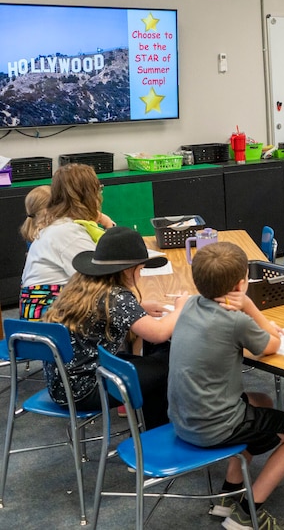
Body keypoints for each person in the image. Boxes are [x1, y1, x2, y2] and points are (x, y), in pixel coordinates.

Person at [168, 242, 284, 530]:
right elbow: (272, 345)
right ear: (241, 284)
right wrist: (249, 306)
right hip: (214, 426)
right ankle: (248, 513)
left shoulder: (189, 304)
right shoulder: (235, 319)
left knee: (260, 400)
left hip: (183, 418)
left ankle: (229, 494)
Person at [43, 227, 188, 428]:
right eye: (141, 269)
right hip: (88, 388)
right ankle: (155, 434)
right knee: (171, 359)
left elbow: (100, 313)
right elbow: (159, 333)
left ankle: (149, 430)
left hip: (62, 387)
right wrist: (180, 308)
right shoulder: (117, 297)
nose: (141, 274)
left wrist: (139, 308)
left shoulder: (81, 287)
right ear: (129, 270)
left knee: (152, 362)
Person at [20, 163, 115, 321]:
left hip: (49, 321)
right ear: (90, 195)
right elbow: (101, 280)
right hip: (52, 327)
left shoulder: (59, 226)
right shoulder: (68, 233)